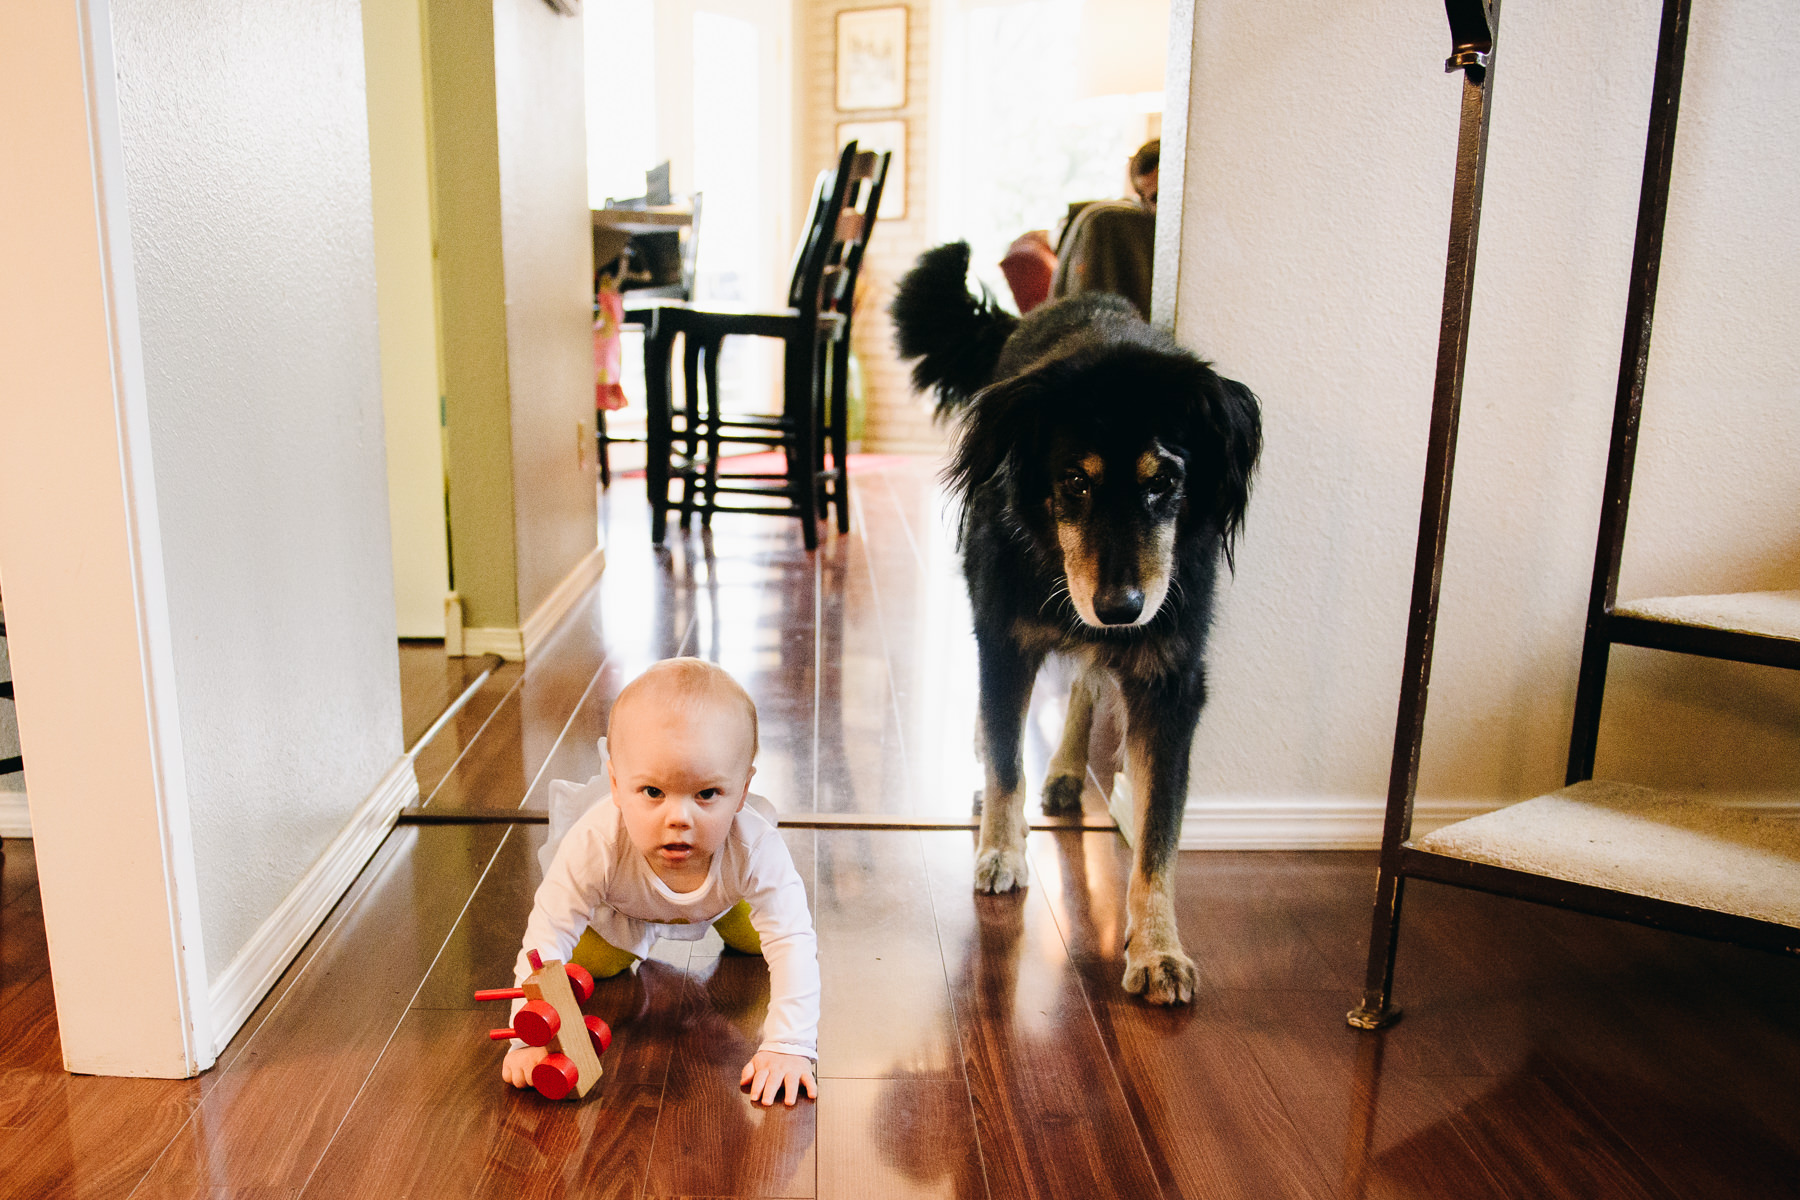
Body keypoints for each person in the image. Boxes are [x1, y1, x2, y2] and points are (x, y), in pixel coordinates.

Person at [501, 658, 820, 1107]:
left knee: (764, 943)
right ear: (615, 783)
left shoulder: (755, 848)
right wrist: (529, 1035)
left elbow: (791, 939)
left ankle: (735, 923)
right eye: (653, 792)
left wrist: (790, 1045)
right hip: (620, 913)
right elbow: (546, 936)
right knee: (589, 967)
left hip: (724, 901)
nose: (678, 818)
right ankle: (616, 948)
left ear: (743, 791)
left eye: (707, 794)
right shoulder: (595, 842)